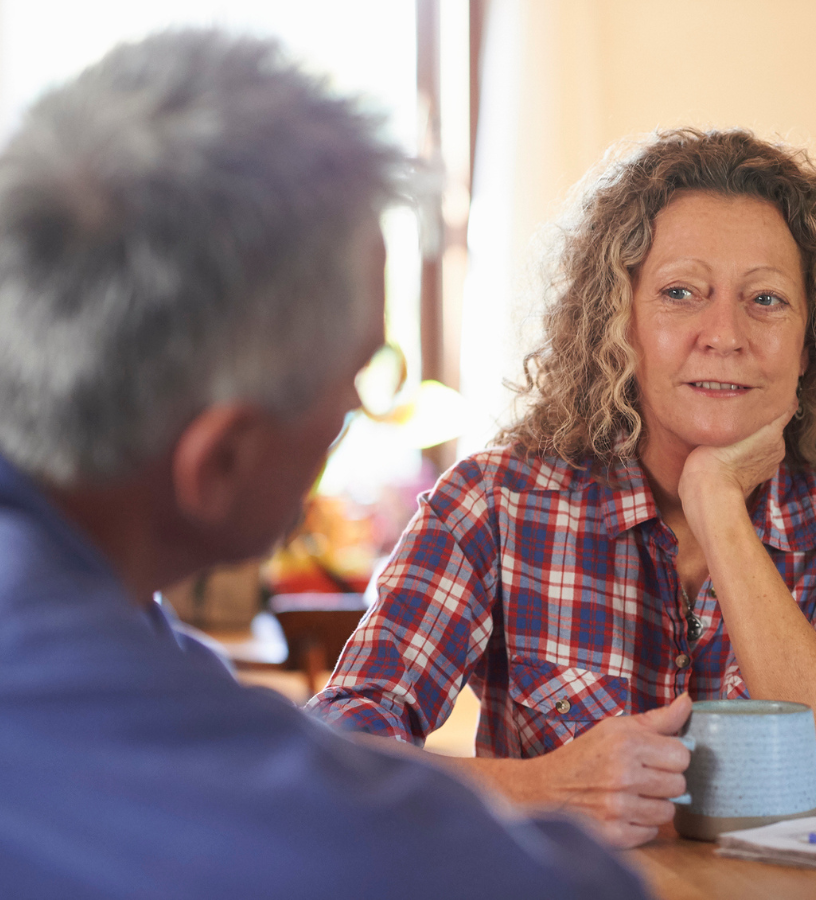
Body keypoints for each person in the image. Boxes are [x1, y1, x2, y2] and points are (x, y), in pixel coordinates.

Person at [0, 29, 645, 899]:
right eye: (358, 377)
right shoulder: (121, 725)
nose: (356, 411)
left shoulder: (110, 612)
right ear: (221, 458)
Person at [312, 128, 816, 848]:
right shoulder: (495, 502)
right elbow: (337, 752)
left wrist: (719, 503)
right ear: (620, 323)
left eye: (767, 299)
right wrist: (544, 787)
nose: (724, 334)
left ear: (814, 342)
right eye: (681, 293)